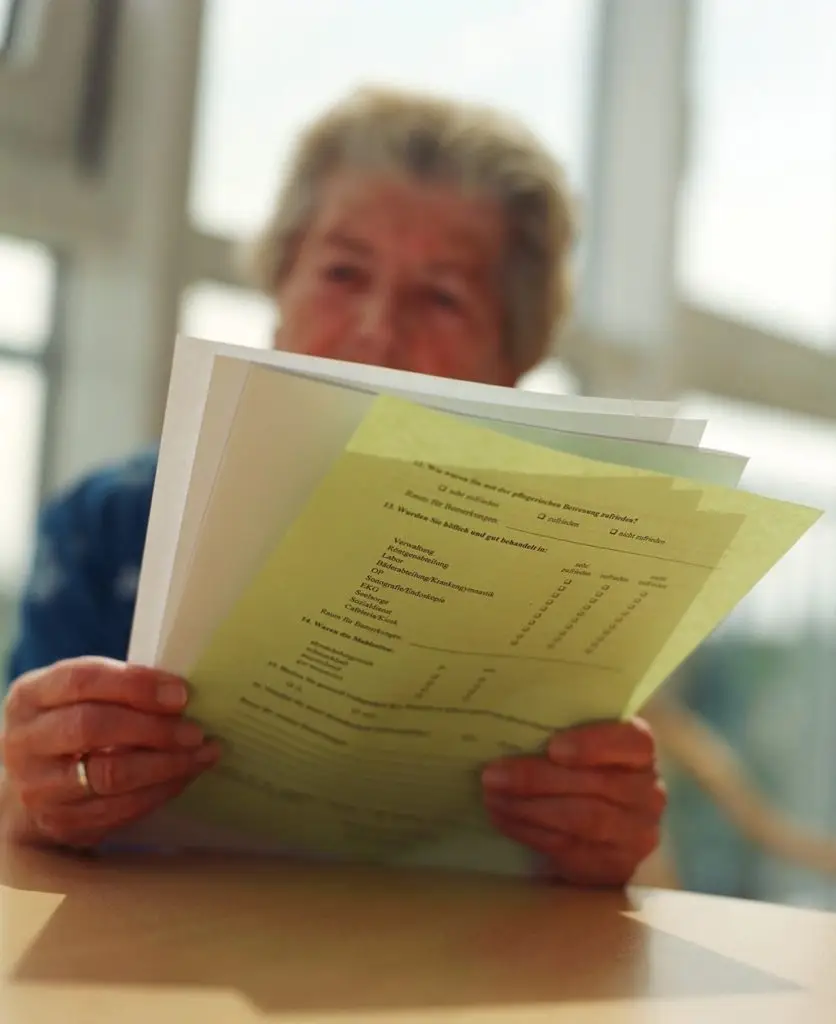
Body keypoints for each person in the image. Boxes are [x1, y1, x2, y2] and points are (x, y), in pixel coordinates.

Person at [1, 86, 665, 885]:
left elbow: (599, 859)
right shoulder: (107, 524)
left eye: (443, 296)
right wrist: (31, 797)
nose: (378, 330)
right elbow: (17, 807)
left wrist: (602, 835)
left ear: (513, 360)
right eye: (344, 272)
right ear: (277, 288)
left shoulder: (568, 573)